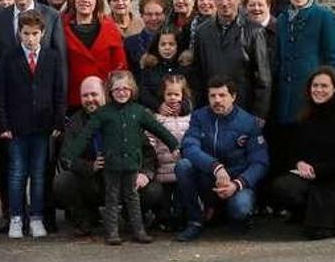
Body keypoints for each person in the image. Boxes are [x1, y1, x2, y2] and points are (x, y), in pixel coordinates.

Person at [64, 70, 179, 245]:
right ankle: (112, 232)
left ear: (132, 89)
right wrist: (71, 154)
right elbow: (86, 135)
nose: (122, 92)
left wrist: (173, 144)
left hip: (132, 165)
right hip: (111, 166)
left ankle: (138, 230)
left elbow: (157, 129)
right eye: (117, 89)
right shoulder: (103, 114)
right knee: (112, 198)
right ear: (110, 91)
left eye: (125, 88)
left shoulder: (138, 112)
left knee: (132, 198)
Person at [0, 10, 66, 239]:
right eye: (26, 34)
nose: (30, 39)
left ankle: (36, 217)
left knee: (38, 173)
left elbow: (58, 91)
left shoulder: (52, 57)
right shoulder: (10, 57)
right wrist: (3, 123)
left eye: (35, 34)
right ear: (20, 33)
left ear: (43, 33)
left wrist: (58, 121)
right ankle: (16, 217)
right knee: (16, 174)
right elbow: (1, 94)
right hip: (16, 126)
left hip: (43, 126)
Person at [271, 67, 335, 239]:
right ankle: (303, 213)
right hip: (309, 174)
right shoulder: (306, 115)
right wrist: (299, 163)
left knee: (319, 231)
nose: (318, 90)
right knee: (283, 186)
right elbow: (293, 150)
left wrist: (318, 171)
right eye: (315, 85)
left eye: (324, 86)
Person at [174, 76, 268, 242]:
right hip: (208, 177)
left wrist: (237, 184)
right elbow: (189, 146)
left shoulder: (249, 122)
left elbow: (260, 163)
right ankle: (195, 221)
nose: (217, 100)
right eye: (213, 96)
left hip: (236, 181)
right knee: (183, 165)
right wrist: (215, 167)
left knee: (241, 209)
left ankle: (234, 217)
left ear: (233, 96)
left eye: (222, 95)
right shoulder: (199, 117)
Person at [273, 0, 335, 171]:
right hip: (286, 96)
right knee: (288, 149)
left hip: (313, 93)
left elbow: (334, 57)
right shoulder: (282, 19)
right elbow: (279, 56)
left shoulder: (324, 16)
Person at [191, 0, 271, 120]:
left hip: (244, 110)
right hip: (211, 110)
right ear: (214, 0)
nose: (224, 3)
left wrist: (258, 115)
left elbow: (263, 79)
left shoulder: (254, 31)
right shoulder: (202, 32)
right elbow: (197, 76)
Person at [62, 0, 127, 108]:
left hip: (104, 97)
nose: (85, 0)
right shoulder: (61, 28)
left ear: (97, 1)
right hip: (74, 98)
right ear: (74, 0)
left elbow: (120, 66)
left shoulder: (110, 28)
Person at [146, 74, 192, 228]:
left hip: (180, 167)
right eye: (169, 94)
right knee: (164, 199)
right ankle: (162, 219)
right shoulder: (157, 118)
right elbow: (150, 140)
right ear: (163, 95)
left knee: (180, 197)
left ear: (183, 95)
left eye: (176, 94)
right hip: (162, 168)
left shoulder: (189, 119)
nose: (172, 98)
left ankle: (180, 220)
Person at [139, 27, 190, 111]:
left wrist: (182, 107)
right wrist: (158, 106)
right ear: (157, 46)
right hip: (155, 115)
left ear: (178, 45)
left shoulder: (185, 67)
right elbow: (143, 92)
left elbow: (194, 93)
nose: (167, 48)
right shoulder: (149, 66)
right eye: (163, 44)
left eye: (171, 44)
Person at [124, 0, 167, 80]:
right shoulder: (130, 43)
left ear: (164, 15)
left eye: (158, 14)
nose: (153, 18)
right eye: (149, 14)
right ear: (142, 16)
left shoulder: (174, 40)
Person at [243, 0, 277, 66]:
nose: (256, 8)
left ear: (268, 6)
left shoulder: (280, 29)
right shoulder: (240, 31)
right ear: (245, 8)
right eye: (252, 5)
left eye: (260, 5)